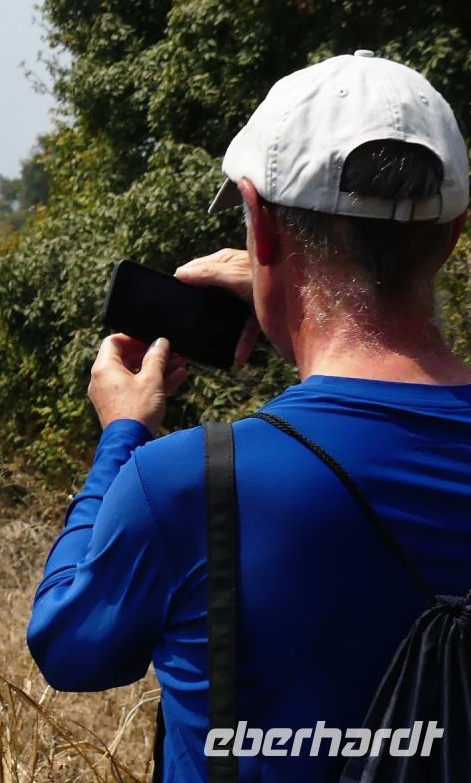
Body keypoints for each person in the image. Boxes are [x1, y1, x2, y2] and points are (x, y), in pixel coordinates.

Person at [26, 51, 471, 782]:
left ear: (257, 223)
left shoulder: (187, 483)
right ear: (453, 233)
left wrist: (123, 435)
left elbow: (69, 650)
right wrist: (290, 309)